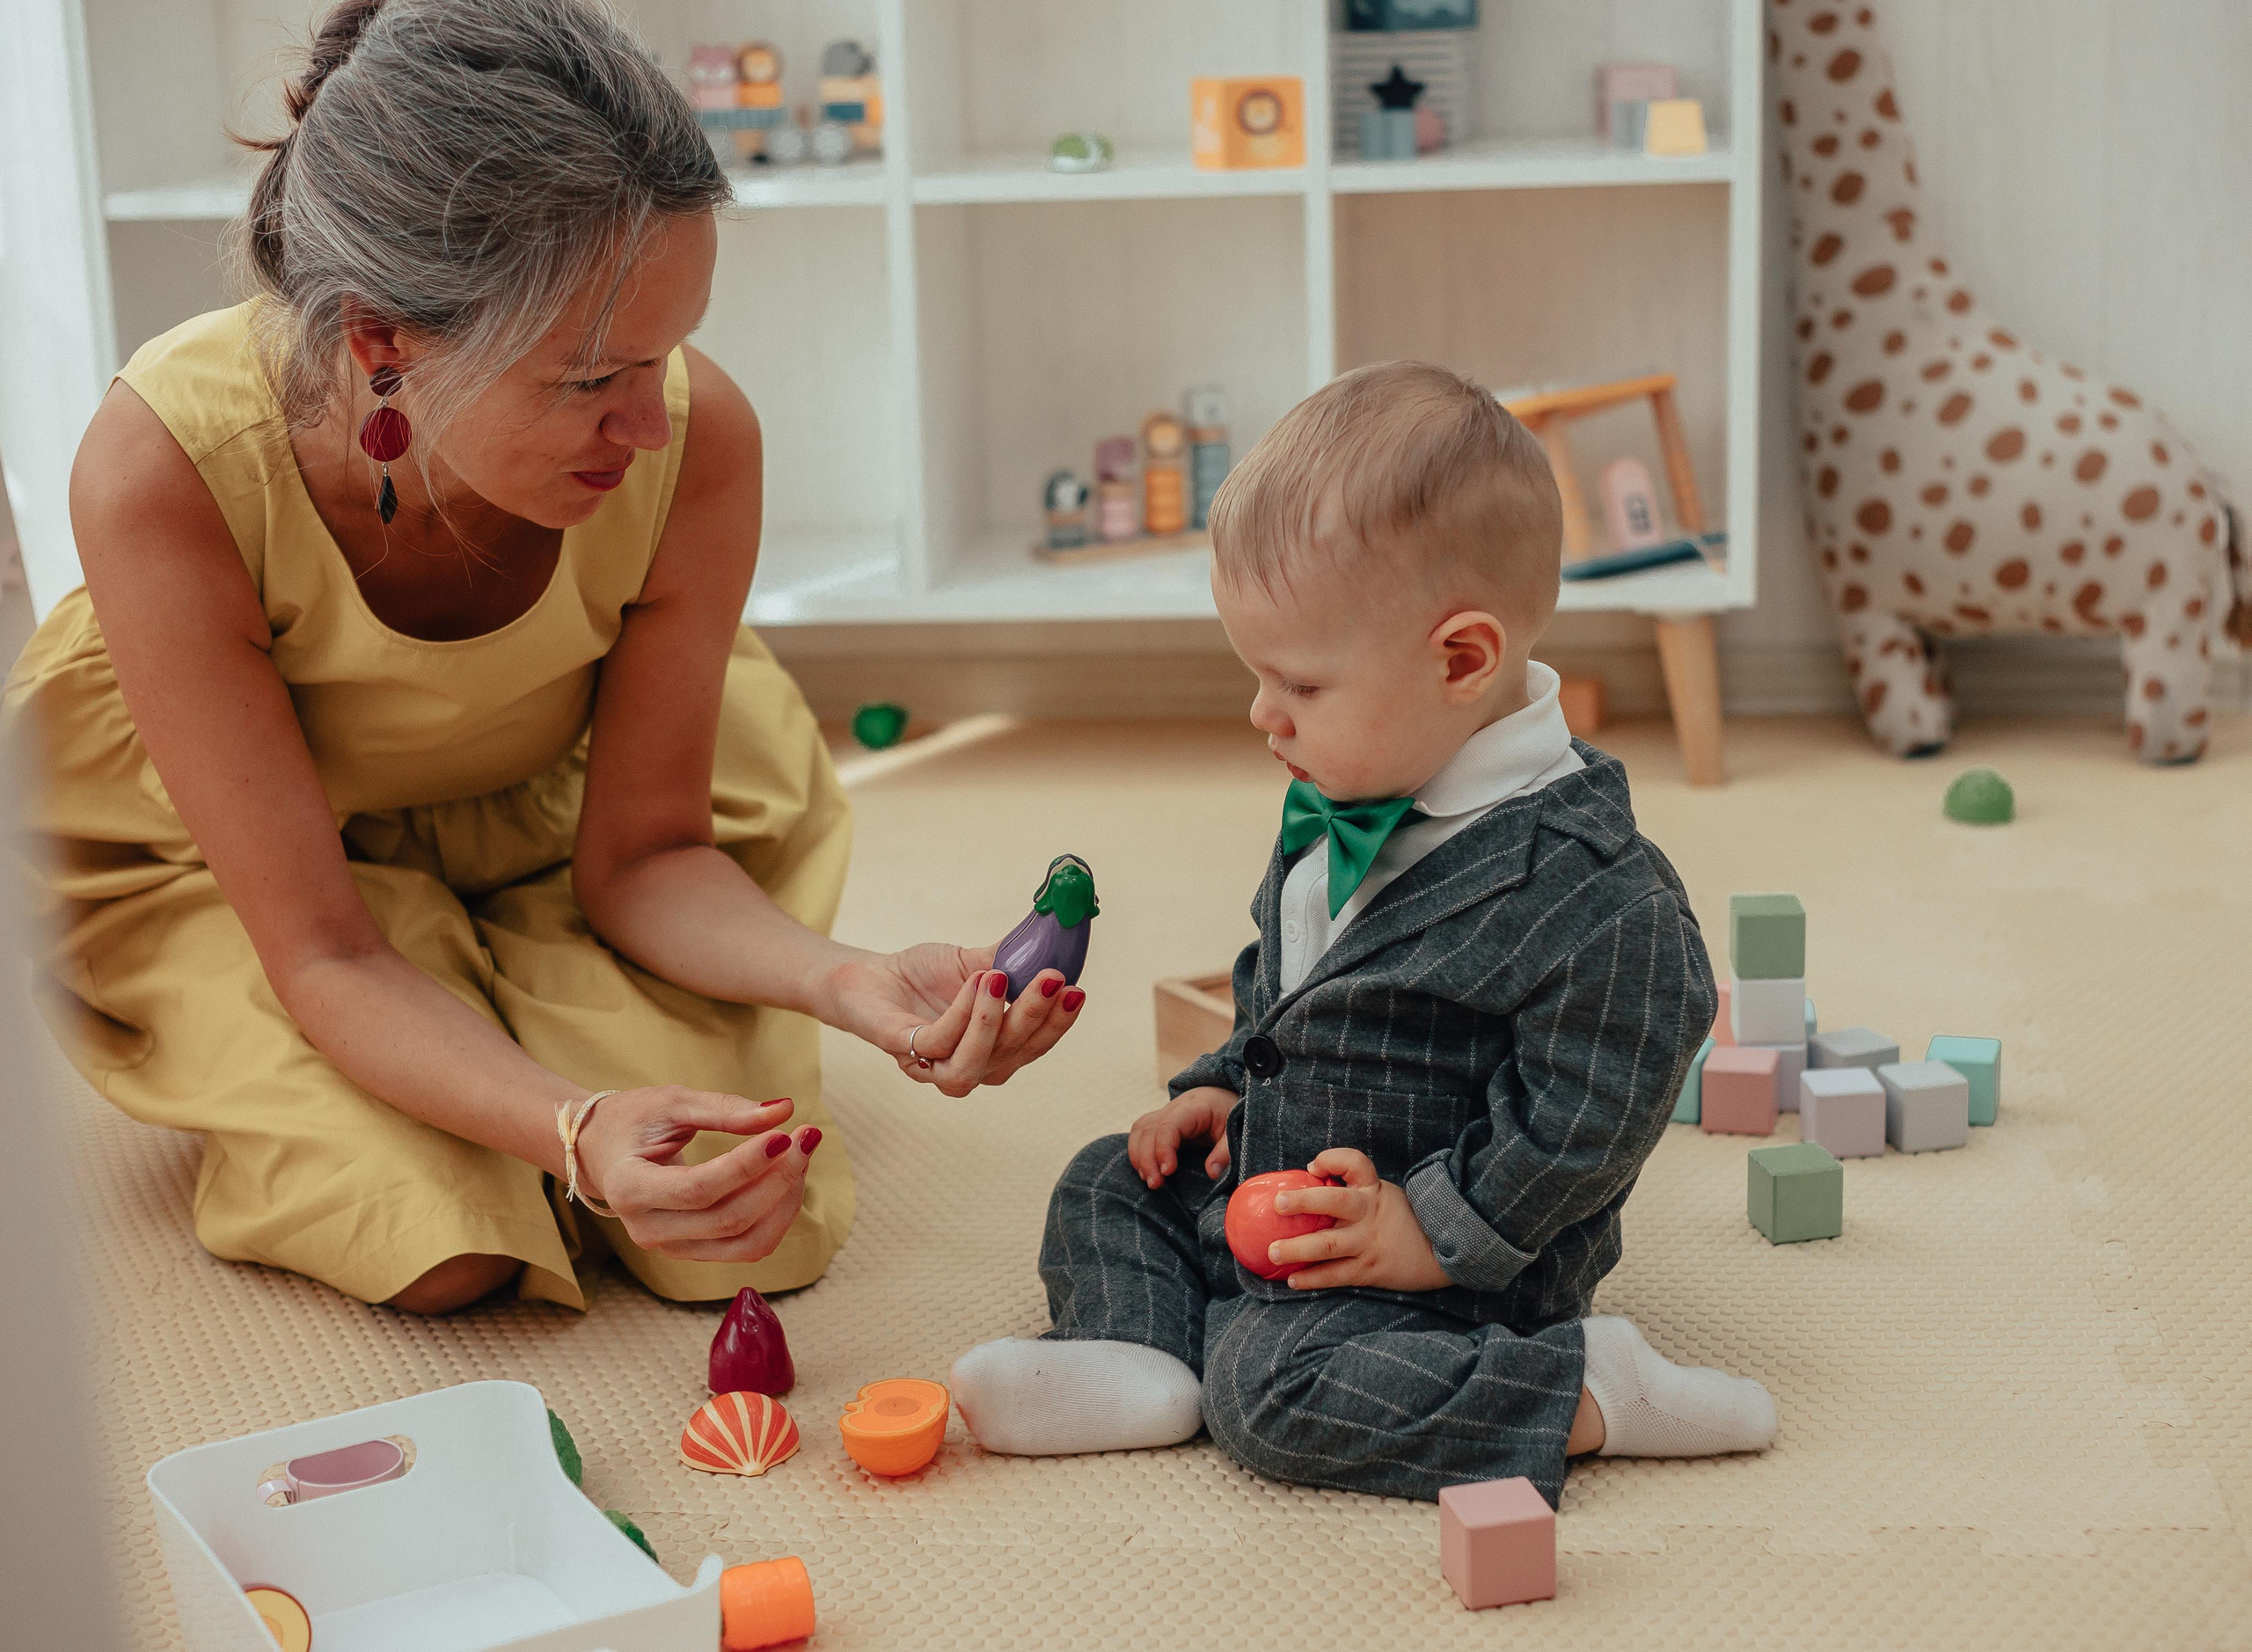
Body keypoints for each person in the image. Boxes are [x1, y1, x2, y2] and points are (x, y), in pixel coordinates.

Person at [0, 0, 1082, 1318]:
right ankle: (465, 1039)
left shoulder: (694, 438)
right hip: (268, 871)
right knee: (448, 1245)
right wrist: (574, 1124)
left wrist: (845, 979)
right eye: (589, 377)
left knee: (732, 1221)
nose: (649, 421)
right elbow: (326, 952)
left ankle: (511, 984)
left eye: (667, 353)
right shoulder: (162, 471)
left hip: (556, 816)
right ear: (382, 340)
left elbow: (644, 856)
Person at [950, 362, 1773, 1504]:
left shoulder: (1593, 890)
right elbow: (1283, 978)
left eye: (1296, 682)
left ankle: (1586, 1388)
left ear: (1461, 661)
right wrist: (1223, 1083)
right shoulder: (1359, 777)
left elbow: (1593, 1106)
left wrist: (1428, 1228)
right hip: (1288, 1170)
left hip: (1440, 1263)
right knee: (1111, 1180)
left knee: (1275, 1392)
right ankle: (1138, 1354)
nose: (1260, 715)